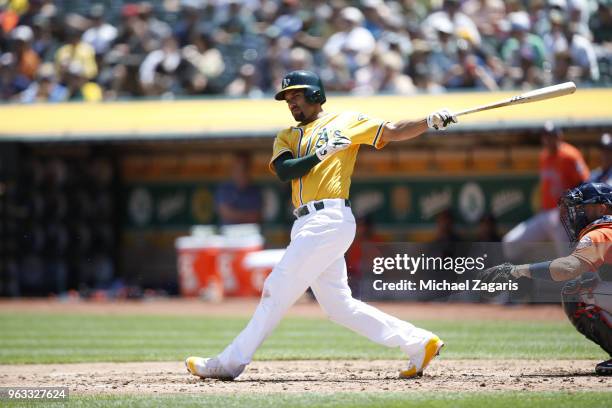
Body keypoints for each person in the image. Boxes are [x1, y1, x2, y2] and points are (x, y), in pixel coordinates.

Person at [185, 70, 457, 380]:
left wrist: (429, 121)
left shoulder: (347, 121)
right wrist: (323, 152)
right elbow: (286, 171)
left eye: (297, 95)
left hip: (329, 218)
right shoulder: (287, 135)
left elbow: (392, 131)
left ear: (316, 94)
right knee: (339, 306)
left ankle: (228, 363)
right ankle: (419, 342)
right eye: (288, 98)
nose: (291, 103)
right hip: (306, 223)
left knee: (275, 290)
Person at [481, 182, 612, 376]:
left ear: (602, 208)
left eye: (583, 207)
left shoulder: (602, 231)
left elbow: (568, 268)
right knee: (589, 282)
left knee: (576, 291)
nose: (577, 214)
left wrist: (516, 270)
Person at [503, 121, 590, 260]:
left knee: (568, 260)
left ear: (559, 136)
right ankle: (520, 277)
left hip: (564, 215)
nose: (549, 139)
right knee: (510, 242)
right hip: (545, 214)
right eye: (546, 136)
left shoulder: (570, 155)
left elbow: (585, 183)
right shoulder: (544, 156)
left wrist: (570, 204)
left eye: (551, 135)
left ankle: (576, 280)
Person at [214, 152, 262, 225]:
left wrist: (234, 214)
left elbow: (256, 216)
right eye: (238, 167)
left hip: (249, 233)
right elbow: (225, 213)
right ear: (233, 169)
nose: (241, 172)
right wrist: (246, 215)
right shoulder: (224, 188)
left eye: (245, 168)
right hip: (228, 233)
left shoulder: (255, 190)